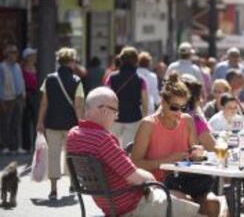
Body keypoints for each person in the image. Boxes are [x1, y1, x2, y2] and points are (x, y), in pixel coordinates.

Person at [66, 87, 199, 217]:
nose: (116, 117)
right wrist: (151, 178)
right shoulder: (102, 140)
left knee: (182, 198)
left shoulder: (73, 135)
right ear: (103, 110)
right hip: (133, 206)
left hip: (109, 204)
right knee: (199, 211)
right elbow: (136, 178)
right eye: (115, 112)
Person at [131, 73, 219, 216]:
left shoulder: (187, 121)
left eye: (183, 108)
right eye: (174, 107)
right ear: (163, 102)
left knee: (213, 203)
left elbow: (194, 155)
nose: (179, 112)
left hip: (187, 180)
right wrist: (166, 161)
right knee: (188, 203)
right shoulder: (149, 124)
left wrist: (197, 153)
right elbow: (135, 163)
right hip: (158, 184)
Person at [36, 47, 84, 200]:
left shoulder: (49, 79)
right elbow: (78, 106)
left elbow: (44, 103)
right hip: (71, 125)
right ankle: (72, 183)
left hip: (52, 123)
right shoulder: (77, 81)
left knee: (54, 155)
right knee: (71, 154)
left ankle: (53, 190)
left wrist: (40, 122)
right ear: (71, 62)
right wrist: (81, 124)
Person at [105, 46, 148, 147]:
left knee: (113, 147)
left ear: (121, 60)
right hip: (134, 118)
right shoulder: (140, 79)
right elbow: (145, 103)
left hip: (115, 118)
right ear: (136, 60)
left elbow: (106, 97)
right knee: (128, 148)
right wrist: (144, 118)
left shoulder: (111, 77)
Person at [0, 44, 26, 154]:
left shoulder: (17, 66)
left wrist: (24, 94)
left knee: (17, 123)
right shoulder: (2, 67)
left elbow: (21, 80)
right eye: (12, 52)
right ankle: (5, 147)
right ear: (7, 54)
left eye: (16, 52)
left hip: (19, 97)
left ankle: (17, 146)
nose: (15, 54)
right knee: (6, 123)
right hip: (7, 98)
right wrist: (1, 100)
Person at [182, 74, 216, 152]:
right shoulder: (196, 120)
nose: (202, 100)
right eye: (200, 96)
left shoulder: (168, 115)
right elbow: (213, 148)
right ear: (197, 99)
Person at [21, 47, 38, 152]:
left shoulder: (37, 68)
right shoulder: (22, 69)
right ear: (27, 57)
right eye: (32, 55)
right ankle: (26, 146)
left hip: (36, 95)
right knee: (26, 121)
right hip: (26, 95)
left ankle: (36, 145)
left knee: (36, 120)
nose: (34, 57)